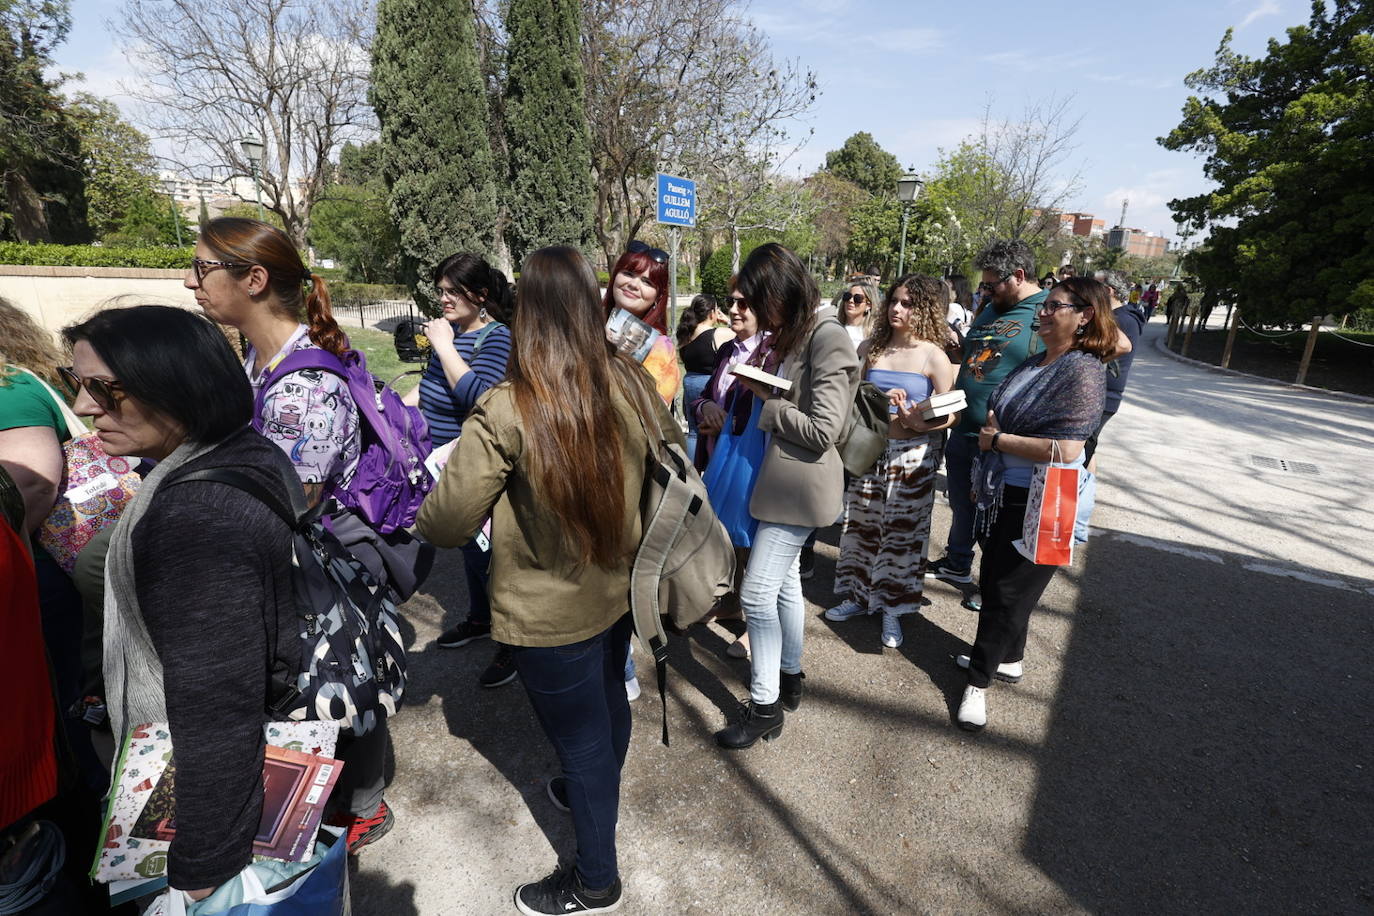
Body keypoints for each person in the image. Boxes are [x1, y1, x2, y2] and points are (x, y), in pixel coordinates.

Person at [416, 246, 677, 916]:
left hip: (548, 612)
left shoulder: (510, 407)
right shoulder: (628, 379)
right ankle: (595, 791)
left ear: (524, 312)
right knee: (605, 709)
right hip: (620, 589)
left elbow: (444, 523)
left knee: (581, 740)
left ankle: (596, 880)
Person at [63, 305, 303, 900]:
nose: (84, 407)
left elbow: (217, 709)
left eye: (104, 388)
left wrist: (202, 870)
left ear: (176, 384)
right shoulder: (240, 451)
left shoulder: (195, 517)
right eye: (78, 383)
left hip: (193, 808)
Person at [183, 216, 392, 851]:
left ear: (253, 279)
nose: (189, 282)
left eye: (201, 269)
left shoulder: (303, 383)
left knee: (341, 683)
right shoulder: (257, 357)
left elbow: (291, 498)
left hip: (315, 559)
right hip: (285, 556)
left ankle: (362, 806)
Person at [712, 243, 860, 750]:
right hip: (784, 482)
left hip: (800, 487)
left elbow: (824, 428)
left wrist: (769, 402)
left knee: (755, 593)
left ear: (781, 291)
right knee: (784, 587)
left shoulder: (829, 337)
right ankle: (791, 676)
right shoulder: (796, 335)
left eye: (759, 298)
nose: (753, 310)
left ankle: (765, 707)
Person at [956, 277, 1113, 731]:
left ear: (1085, 316)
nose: (1043, 312)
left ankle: (977, 683)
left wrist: (1000, 439)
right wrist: (994, 433)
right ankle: (1010, 658)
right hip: (1003, 491)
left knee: (1004, 592)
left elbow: (1067, 450)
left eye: (1056, 307)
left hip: (1040, 501)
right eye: (1045, 305)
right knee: (1003, 585)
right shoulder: (1037, 361)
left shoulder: (1083, 370)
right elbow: (999, 406)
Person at [825, 275, 958, 648]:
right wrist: (878, 395)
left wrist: (920, 419)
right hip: (869, 449)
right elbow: (848, 393)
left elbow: (951, 413)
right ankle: (856, 595)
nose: (898, 309)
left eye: (908, 304)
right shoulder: (871, 346)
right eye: (895, 301)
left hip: (914, 456)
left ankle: (893, 609)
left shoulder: (934, 355)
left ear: (926, 310)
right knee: (861, 525)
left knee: (902, 535)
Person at [409, 253, 518, 689]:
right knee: (472, 551)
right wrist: (389, 406)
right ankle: (480, 618)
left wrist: (442, 346)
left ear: (481, 295)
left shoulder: (497, 338)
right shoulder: (451, 336)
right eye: (441, 291)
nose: (445, 299)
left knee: (493, 556)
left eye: (454, 291)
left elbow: (483, 397)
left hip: (475, 465)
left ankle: (511, 643)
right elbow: (430, 386)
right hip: (441, 463)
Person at [926, 240, 1048, 588]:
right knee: (962, 505)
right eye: (984, 284)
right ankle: (957, 562)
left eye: (992, 284)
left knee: (993, 515)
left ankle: (990, 584)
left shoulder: (1046, 309)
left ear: (1019, 276)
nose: (986, 290)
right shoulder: (994, 306)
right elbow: (983, 351)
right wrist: (960, 347)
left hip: (1002, 440)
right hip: (965, 426)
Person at [603, 240, 680, 405]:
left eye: (647, 282)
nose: (633, 285)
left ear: (657, 297)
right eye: (628, 274)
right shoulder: (583, 324)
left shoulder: (660, 348)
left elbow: (654, 413)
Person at [1086, 270, 1145, 464]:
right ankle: (1086, 491)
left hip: (1103, 395)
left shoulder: (1123, 319)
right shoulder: (1115, 316)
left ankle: (1081, 491)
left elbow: (1120, 348)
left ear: (1108, 290)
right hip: (1098, 394)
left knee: (1083, 450)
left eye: (1095, 287)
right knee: (1087, 450)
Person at [676, 294, 734, 458]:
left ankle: (691, 471)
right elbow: (744, 333)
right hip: (707, 386)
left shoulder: (686, 333)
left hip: (689, 383)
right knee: (713, 431)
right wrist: (728, 321)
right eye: (717, 310)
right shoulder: (718, 333)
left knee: (694, 433)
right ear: (712, 312)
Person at [835, 281, 878, 350]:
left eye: (858, 298)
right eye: (847, 296)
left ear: (868, 305)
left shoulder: (874, 335)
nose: (851, 301)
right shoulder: (833, 327)